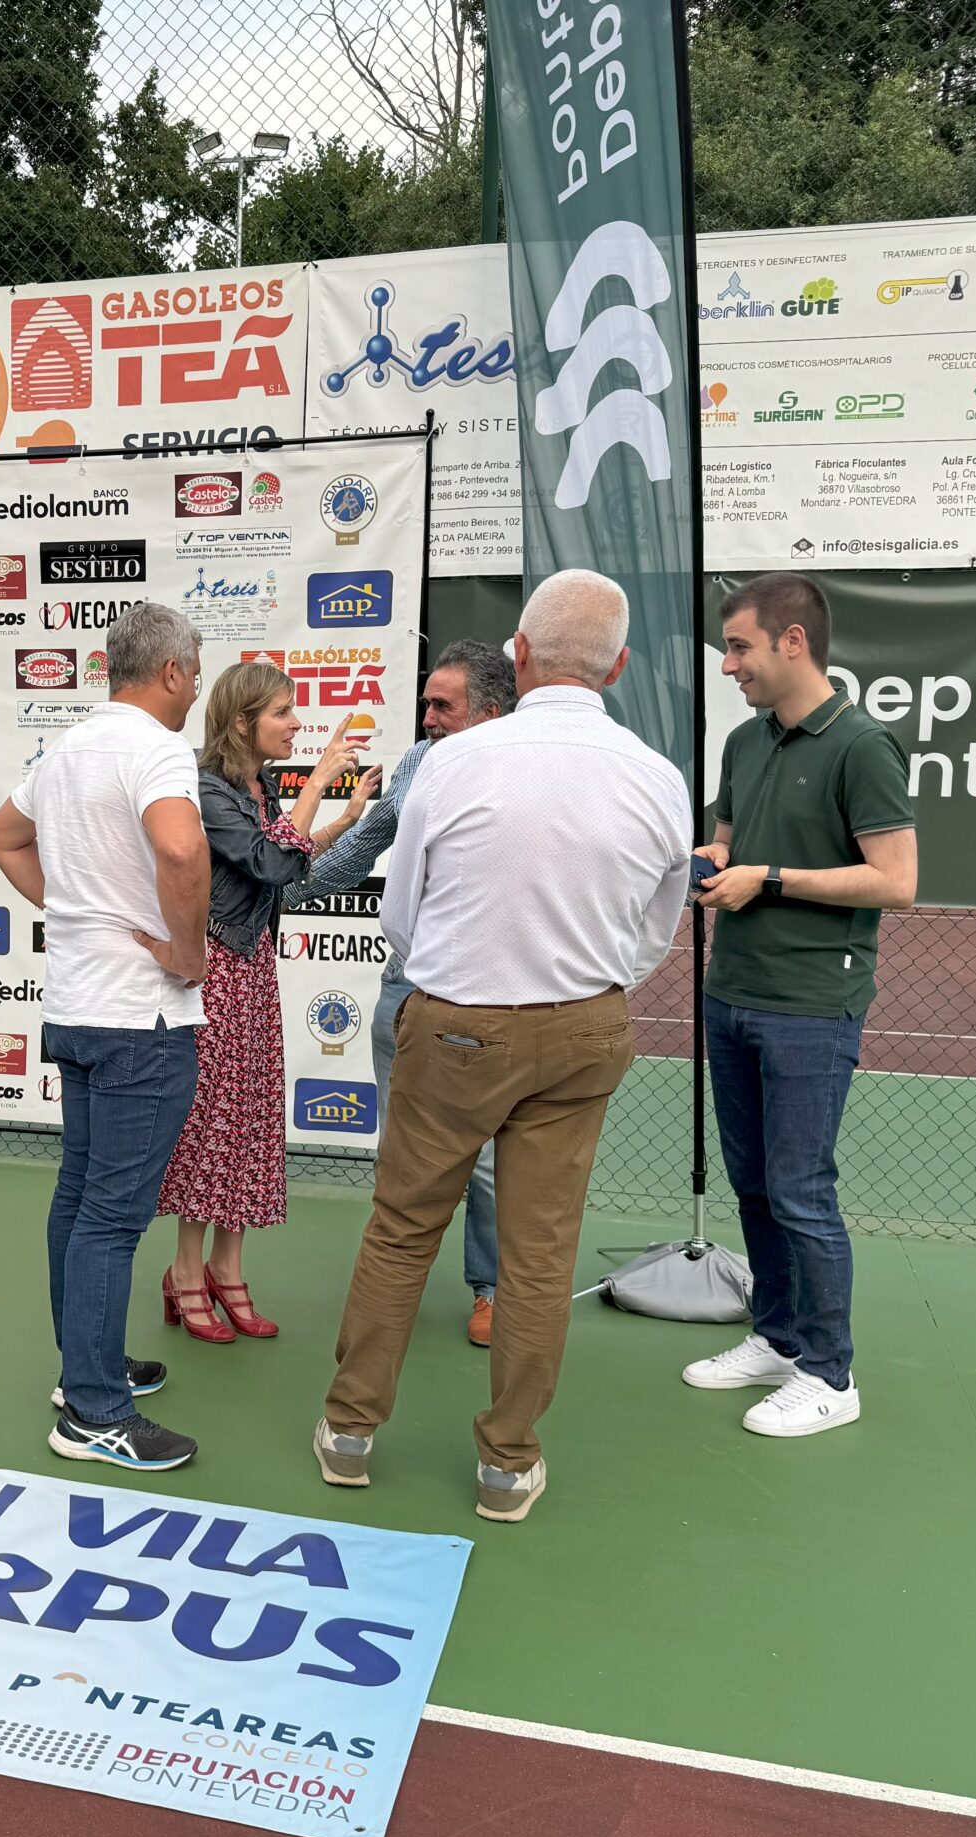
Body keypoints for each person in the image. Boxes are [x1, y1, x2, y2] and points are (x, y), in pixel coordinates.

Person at [314, 569, 690, 1523]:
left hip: (454, 1021)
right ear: (619, 667)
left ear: (518, 656)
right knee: (538, 1257)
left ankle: (350, 1433)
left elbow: (403, 909)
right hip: (584, 1028)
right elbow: (655, 928)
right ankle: (508, 1463)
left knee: (402, 1229)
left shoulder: (450, 765)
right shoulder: (657, 775)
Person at [684, 573, 916, 1438]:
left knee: (801, 1190)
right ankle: (778, 1340)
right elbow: (731, 840)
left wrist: (771, 880)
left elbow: (897, 882)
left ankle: (831, 1372)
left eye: (739, 647)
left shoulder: (863, 744)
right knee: (753, 1185)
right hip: (732, 996)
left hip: (812, 1007)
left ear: (792, 642)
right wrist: (709, 860)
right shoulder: (745, 744)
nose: (730, 664)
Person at [0, 603, 211, 1472]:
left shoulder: (69, 746)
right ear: (172, 673)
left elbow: (4, 836)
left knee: (80, 1200)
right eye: (193, 670)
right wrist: (187, 952)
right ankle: (94, 1414)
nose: (193, 684)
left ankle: (89, 1370)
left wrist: (72, 912)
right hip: (139, 1019)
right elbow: (182, 853)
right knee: (110, 1218)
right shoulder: (155, 749)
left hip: (79, 1008)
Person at [286, 638, 516, 1347]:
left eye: (442, 705)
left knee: (482, 1161)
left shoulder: (523, 770)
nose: (427, 718)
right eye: (426, 703)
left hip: (490, 997)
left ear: (491, 711)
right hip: (404, 990)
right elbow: (364, 845)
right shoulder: (417, 765)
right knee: (403, 1154)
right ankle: (395, 1284)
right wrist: (284, 883)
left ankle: (493, 1290)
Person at [156, 664, 378, 1342]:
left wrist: (340, 818)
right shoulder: (208, 786)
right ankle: (185, 1273)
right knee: (211, 1126)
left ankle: (229, 1269)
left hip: (253, 971)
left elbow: (289, 862)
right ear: (242, 720)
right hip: (217, 971)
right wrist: (319, 781)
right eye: (283, 712)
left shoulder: (260, 784)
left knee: (249, 1122)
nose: (296, 723)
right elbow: (267, 860)